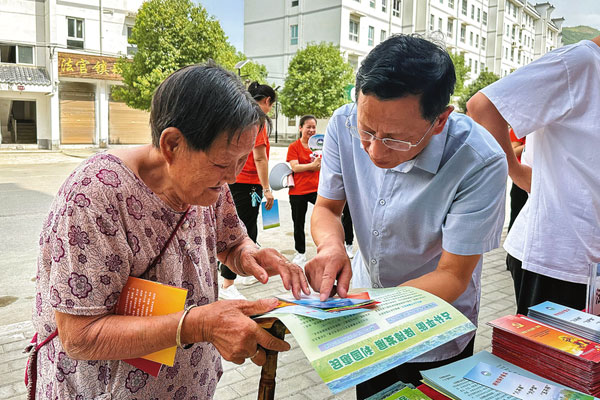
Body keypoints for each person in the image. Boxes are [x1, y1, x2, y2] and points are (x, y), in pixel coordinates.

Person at [29, 64, 309, 399]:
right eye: (223, 164)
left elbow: (231, 241)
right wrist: (200, 325)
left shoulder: (211, 185)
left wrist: (248, 255)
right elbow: (80, 335)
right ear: (172, 144)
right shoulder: (96, 194)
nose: (233, 178)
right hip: (106, 390)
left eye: (241, 161)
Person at [304, 34, 508, 398]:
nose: (375, 151)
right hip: (367, 317)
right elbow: (326, 208)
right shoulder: (342, 123)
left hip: (436, 325)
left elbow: (452, 275)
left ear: (441, 119)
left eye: (397, 138)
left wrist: (363, 309)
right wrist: (331, 247)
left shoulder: (478, 160)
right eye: (367, 132)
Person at [467, 36, 600, 315]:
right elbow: (483, 106)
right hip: (557, 258)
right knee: (552, 358)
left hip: (589, 258)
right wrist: (515, 171)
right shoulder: (578, 62)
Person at [219, 81, 277, 300]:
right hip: (249, 184)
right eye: (270, 105)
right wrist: (267, 189)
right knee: (244, 227)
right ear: (267, 101)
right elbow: (259, 156)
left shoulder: (240, 117)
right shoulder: (256, 120)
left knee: (239, 224)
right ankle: (227, 284)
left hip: (237, 181)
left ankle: (240, 271)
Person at [286, 115, 321, 266]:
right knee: (298, 223)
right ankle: (300, 253)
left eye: (314, 127)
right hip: (298, 191)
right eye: (308, 127)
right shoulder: (294, 147)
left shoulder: (320, 146)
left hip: (317, 189)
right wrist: (312, 166)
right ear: (300, 128)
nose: (311, 130)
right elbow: (295, 167)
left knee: (324, 219)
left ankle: (326, 249)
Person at [508, 128, 528, 231]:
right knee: (517, 215)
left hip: (543, 175)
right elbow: (513, 151)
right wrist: (528, 146)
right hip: (522, 177)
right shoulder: (519, 129)